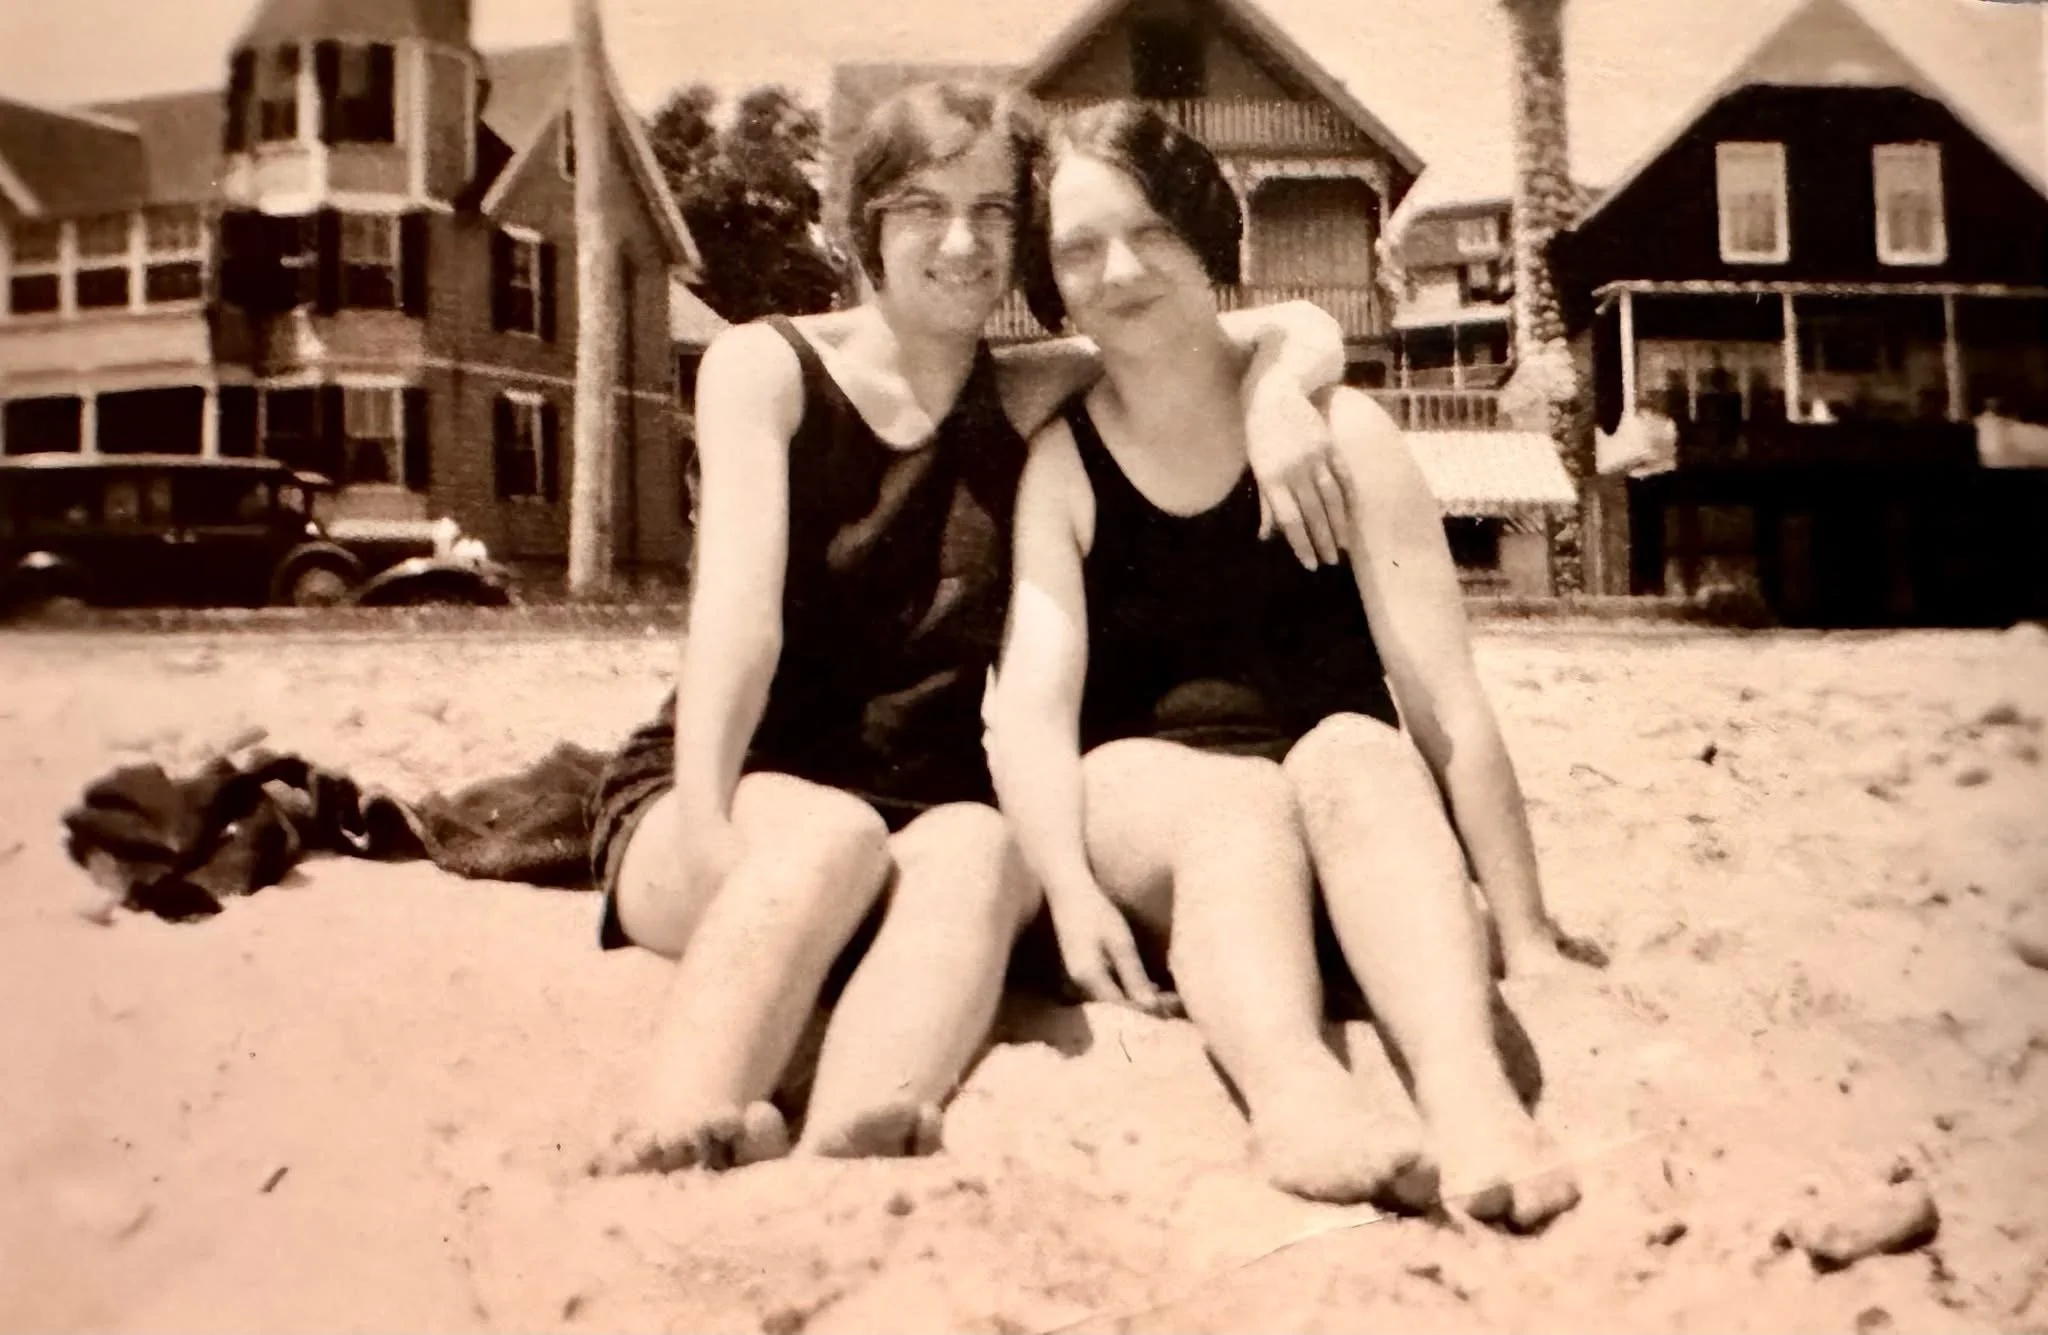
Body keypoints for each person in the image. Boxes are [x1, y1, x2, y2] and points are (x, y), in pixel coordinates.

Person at [588, 81, 1356, 1173]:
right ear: (864, 226)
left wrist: (1279, 394)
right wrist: (710, 818)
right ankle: (678, 1114)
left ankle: (861, 1121)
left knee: (984, 846)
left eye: (994, 212)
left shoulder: (1033, 390)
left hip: (917, 806)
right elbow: (735, 625)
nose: (962, 242)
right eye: (921, 208)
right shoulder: (766, 367)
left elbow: (1282, 322)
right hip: (724, 787)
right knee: (827, 838)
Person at [984, 101, 1602, 1228]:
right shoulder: (1062, 467)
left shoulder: (1342, 432)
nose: (1120, 271)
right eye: (1077, 248)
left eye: (1152, 232)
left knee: (1361, 750)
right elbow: (1028, 710)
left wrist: (1524, 930)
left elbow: (1440, 694)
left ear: (1206, 235)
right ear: (1050, 279)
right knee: (1231, 799)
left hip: (1353, 841)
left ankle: (1466, 1094)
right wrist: (1067, 891)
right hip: (1160, 819)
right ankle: (1295, 1094)